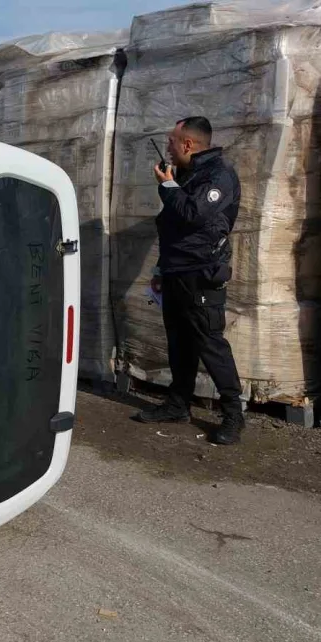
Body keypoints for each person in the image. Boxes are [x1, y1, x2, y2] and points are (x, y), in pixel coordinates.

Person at [136, 116, 245, 445]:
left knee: (210, 344)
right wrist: (160, 268)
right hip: (176, 272)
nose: (168, 147)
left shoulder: (218, 175)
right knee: (179, 343)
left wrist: (168, 186)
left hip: (201, 274)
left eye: (171, 141)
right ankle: (177, 404)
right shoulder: (186, 174)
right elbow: (174, 225)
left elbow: (195, 213)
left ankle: (233, 415)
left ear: (188, 144)